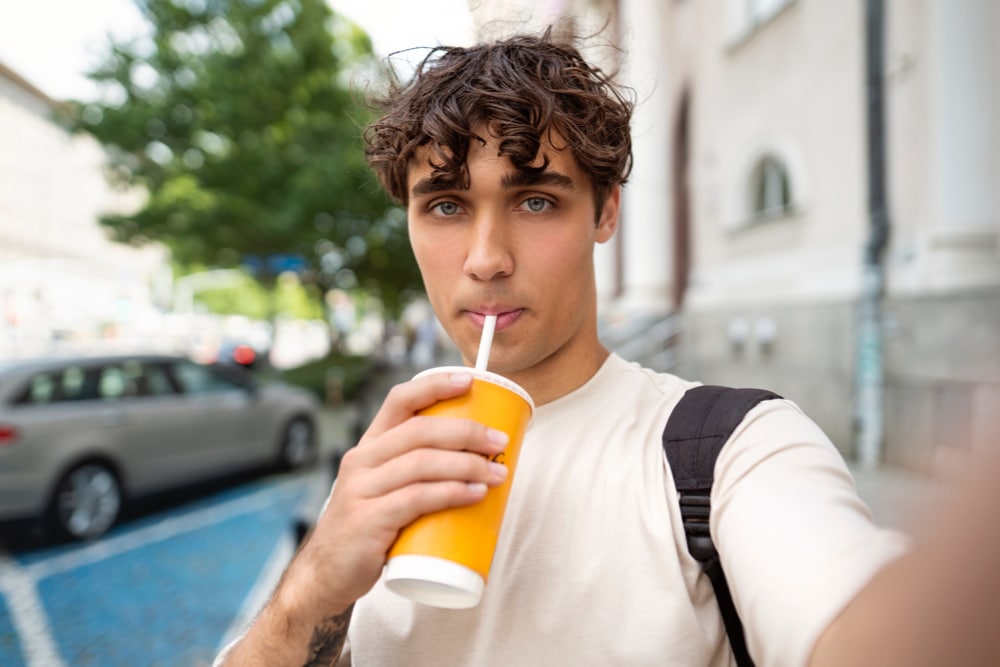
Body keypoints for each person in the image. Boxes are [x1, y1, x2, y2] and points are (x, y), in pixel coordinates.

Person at [218, 30, 1000, 666]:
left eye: (534, 199)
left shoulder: (729, 453)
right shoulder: (384, 460)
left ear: (605, 212)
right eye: (448, 204)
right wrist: (308, 591)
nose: (486, 256)